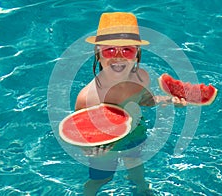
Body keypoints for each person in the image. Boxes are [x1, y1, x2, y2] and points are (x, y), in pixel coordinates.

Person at [75, 12, 186, 196]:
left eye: (127, 50)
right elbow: (77, 134)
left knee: (136, 168)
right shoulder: (87, 97)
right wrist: (90, 151)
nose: (118, 57)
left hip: (136, 132)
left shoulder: (142, 78)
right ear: (97, 53)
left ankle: (141, 188)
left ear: (137, 55)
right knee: (102, 178)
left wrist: (169, 101)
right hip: (106, 147)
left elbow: (146, 101)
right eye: (109, 50)